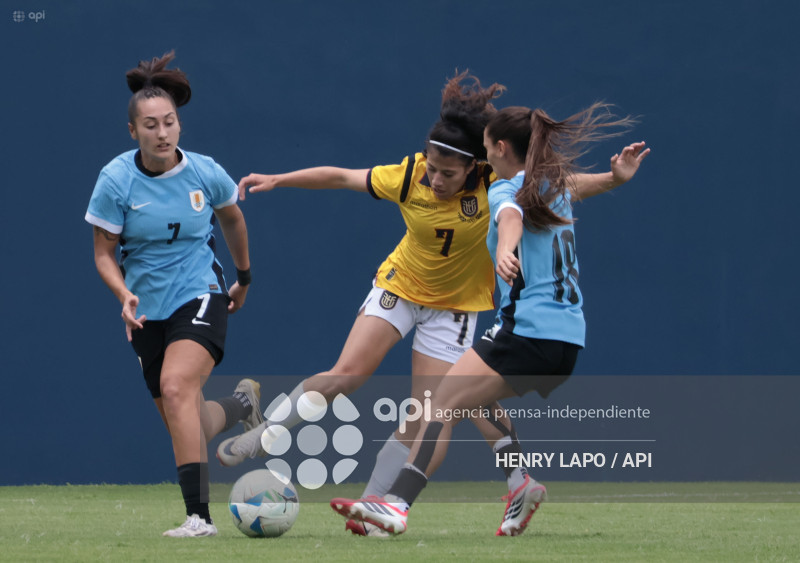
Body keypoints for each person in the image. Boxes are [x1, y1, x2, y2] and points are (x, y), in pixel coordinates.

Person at [330, 103, 650, 537]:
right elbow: (575, 186)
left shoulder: (503, 190)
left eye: (484, 147)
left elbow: (509, 216)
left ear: (500, 148)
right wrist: (615, 178)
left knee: (437, 406)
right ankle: (520, 482)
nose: (482, 156)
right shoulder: (548, 185)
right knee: (473, 398)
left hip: (525, 330)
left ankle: (395, 506)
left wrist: (504, 249)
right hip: (568, 340)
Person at [85, 51, 260, 538]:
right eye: (150, 125)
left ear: (179, 125)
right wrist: (122, 292)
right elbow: (103, 254)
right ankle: (242, 407)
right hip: (145, 309)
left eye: (170, 123)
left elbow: (233, 218)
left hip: (200, 293)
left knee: (178, 386)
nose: (162, 133)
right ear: (133, 132)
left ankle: (199, 519)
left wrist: (243, 278)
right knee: (192, 422)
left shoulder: (204, 173)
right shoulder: (116, 180)